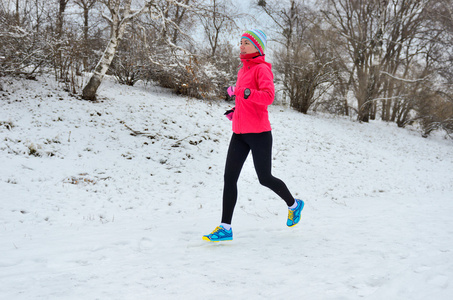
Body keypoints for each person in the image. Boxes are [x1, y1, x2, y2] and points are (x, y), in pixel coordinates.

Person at [203, 29, 304, 242]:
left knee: (264, 178)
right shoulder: (242, 70)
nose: (241, 46)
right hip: (239, 133)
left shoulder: (261, 70)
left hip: (259, 134)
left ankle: (294, 205)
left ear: (257, 47)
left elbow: (268, 97)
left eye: (245, 43)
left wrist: (241, 92)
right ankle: (225, 227)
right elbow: (246, 101)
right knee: (229, 178)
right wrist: (236, 113)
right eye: (240, 42)